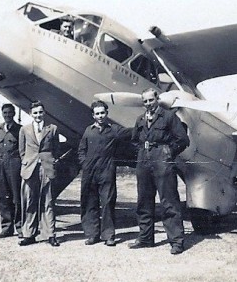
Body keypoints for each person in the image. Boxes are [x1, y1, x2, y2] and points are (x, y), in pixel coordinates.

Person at [129, 88, 190, 254]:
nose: (148, 104)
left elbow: (183, 139)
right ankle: (145, 238)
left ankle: (176, 241)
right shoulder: (140, 119)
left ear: (157, 99)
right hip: (144, 160)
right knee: (143, 200)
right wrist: (142, 153)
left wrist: (168, 152)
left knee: (169, 201)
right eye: (145, 101)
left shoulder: (169, 117)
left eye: (151, 100)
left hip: (162, 161)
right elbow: (134, 140)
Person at [78, 100, 131, 246]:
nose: (100, 116)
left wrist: (143, 123)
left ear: (106, 114)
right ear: (93, 115)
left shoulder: (113, 130)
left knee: (107, 203)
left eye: (102, 113)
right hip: (90, 172)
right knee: (90, 203)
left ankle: (108, 235)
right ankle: (92, 235)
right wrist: (84, 163)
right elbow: (81, 149)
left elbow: (129, 132)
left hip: (106, 171)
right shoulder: (88, 131)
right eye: (97, 113)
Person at [18, 101, 60, 247]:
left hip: (46, 167)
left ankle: (50, 234)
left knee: (48, 202)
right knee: (29, 201)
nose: (38, 115)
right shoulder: (24, 129)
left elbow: (56, 148)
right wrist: (28, 162)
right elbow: (22, 151)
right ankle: (28, 234)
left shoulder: (52, 129)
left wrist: (50, 161)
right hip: (30, 168)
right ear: (30, 114)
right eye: (35, 113)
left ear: (44, 113)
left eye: (40, 112)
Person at [0, 104, 22, 238]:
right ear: (2, 114)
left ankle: (20, 227)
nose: (7, 115)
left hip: (15, 165)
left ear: (14, 113)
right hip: (1, 166)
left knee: (17, 197)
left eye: (10, 112)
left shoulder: (20, 130)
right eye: (5, 113)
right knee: (2, 197)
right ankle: (7, 228)